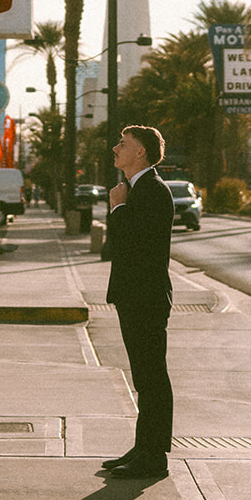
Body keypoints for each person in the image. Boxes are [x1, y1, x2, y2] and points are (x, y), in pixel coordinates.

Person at [100, 124, 174, 479]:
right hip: (134, 296)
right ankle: (143, 446)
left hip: (146, 297)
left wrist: (117, 209)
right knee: (143, 377)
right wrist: (119, 205)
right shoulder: (134, 188)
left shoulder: (152, 191)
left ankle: (154, 454)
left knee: (152, 376)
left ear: (140, 152)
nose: (116, 148)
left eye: (123, 144)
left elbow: (135, 244)